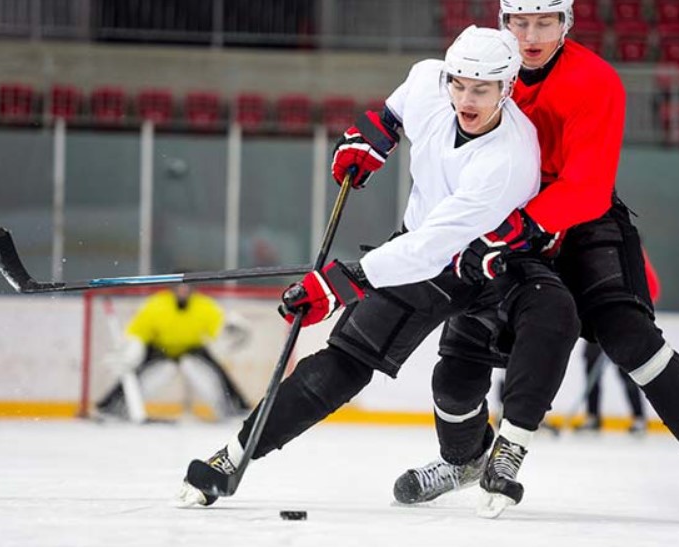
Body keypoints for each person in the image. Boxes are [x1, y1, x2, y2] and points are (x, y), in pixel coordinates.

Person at [176, 25, 580, 510]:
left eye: (481, 89)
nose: (466, 100)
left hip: (493, 264)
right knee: (344, 360)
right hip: (422, 245)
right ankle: (232, 457)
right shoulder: (428, 81)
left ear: (508, 87)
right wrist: (373, 138)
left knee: (460, 376)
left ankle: (482, 455)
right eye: (458, 84)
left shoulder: (510, 159)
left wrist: (345, 281)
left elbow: (434, 247)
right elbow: (394, 112)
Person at [392, 0, 679, 524]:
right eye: (520, 22)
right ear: (503, 24)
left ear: (567, 23)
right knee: (459, 360)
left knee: (631, 338)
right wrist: (374, 132)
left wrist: (516, 227)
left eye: (546, 22)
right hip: (505, 224)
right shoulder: (480, 74)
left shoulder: (595, 80)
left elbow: (587, 185)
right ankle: (464, 459)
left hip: (577, 223)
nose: (531, 35)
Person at [95, 284, 249, 422]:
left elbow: (219, 329)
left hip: (192, 348)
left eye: (187, 287)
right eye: (179, 287)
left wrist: (231, 329)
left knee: (218, 372)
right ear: (172, 288)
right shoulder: (156, 304)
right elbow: (138, 331)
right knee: (134, 372)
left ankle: (238, 407)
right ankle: (109, 406)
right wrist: (132, 349)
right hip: (160, 347)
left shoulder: (205, 305)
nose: (183, 290)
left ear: (193, 289)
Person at [575, 250, 660, 434]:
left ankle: (638, 417)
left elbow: (652, 289)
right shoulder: (595, 252)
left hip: (623, 321)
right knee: (590, 363)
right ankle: (593, 416)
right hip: (597, 319)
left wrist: (635, 311)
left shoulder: (633, 255)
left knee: (626, 369)